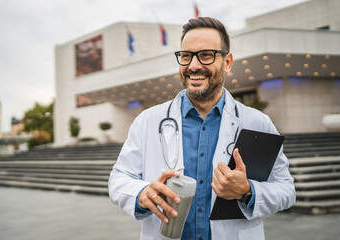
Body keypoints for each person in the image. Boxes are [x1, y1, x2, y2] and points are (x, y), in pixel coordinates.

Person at [109, 17, 296, 240]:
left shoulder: (258, 123)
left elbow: (286, 190)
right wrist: (141, 193)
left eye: (206, 55)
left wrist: (247, 191)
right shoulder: (148, 120)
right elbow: (118, 178)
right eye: (186, 56)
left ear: (227, 63)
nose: (193, 66)